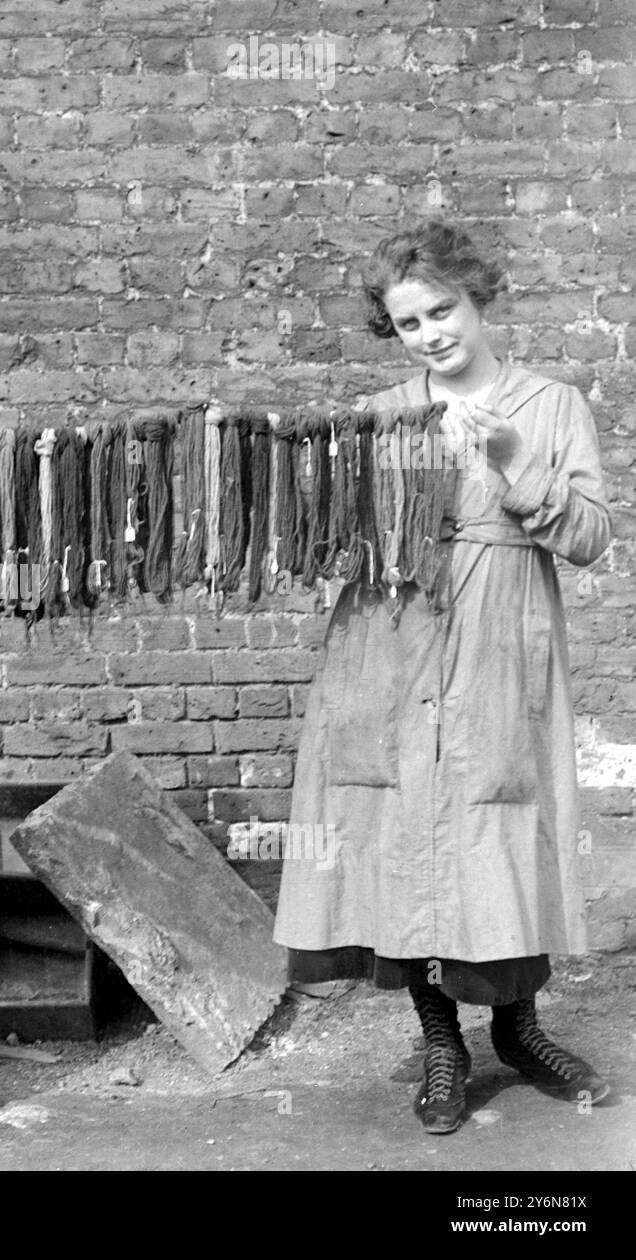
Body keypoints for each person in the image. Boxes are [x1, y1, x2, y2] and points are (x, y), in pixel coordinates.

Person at [273, 219, 612, 1135]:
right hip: (392, 640)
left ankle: (519, 1030)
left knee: (502, 831)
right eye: (409, 322)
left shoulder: (550, 404)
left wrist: (508, 461)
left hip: (503, 638)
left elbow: (589, 541)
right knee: (406, 838)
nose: (429, 334)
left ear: (477, 296)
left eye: (441, 310)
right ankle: (441, 1042)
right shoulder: (385, 413)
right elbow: (341, 536)